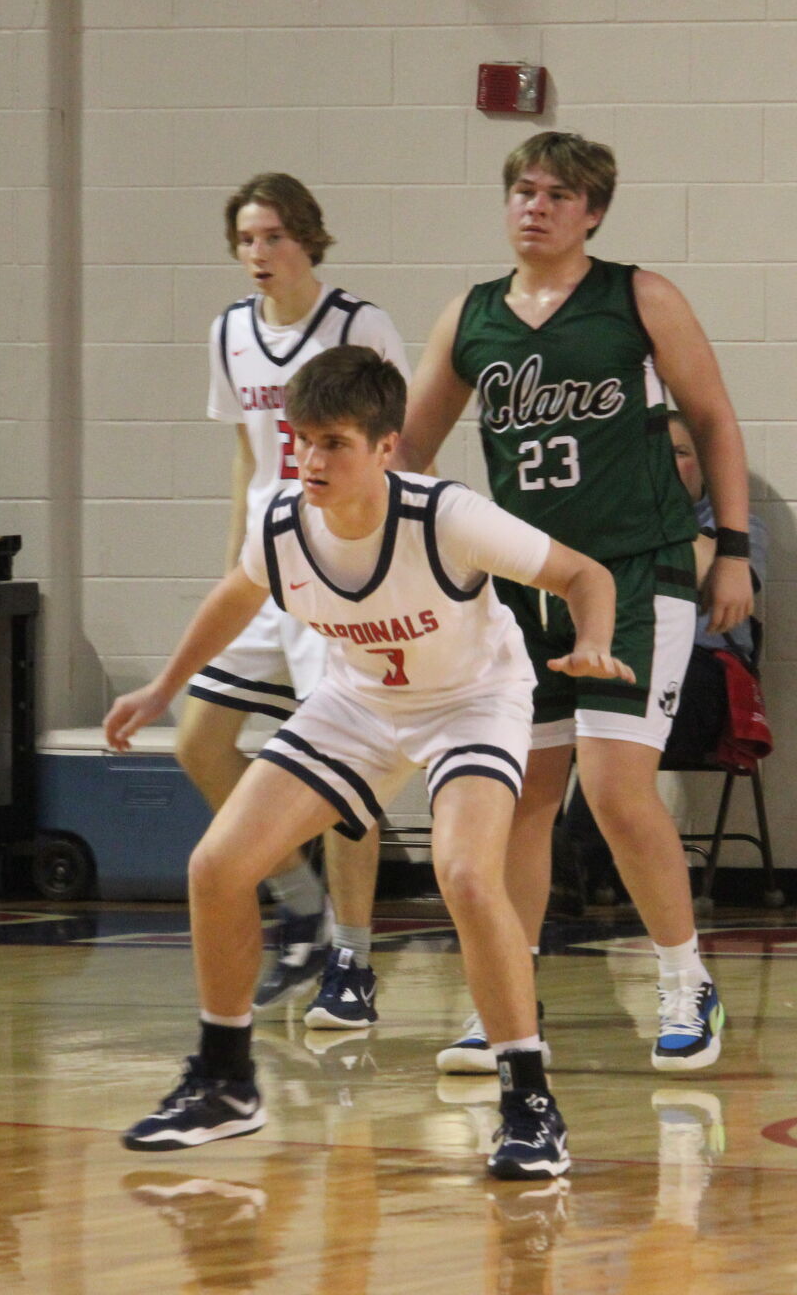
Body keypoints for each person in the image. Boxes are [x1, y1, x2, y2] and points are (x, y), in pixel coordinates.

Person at [111, 345, 633, 1181]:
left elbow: (583, 573)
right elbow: (236, 595)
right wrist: (162, 685)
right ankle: (225, 1079)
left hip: (472, 701)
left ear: (387, 447)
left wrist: (596, 640)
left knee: (466, 874)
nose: (312, 461)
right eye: (302, 440)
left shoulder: (447, 517)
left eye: (335, 444)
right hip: (359, 702)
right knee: (217, 863)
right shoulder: (282, 522)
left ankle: (530, 1099)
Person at [398, 131, 753, 1074]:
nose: (536, 205)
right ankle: (507, 1001)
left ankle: (686, 979)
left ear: (592, 211)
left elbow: (714, 419)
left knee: (613, 786)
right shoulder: (471, 317)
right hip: (524, 588)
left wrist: (736, 550)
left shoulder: (639, 297)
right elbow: (408, 452)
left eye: (557, 193)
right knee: (522, 797)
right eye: (523, 188)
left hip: (639, 567)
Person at [179, 174, 405, 1031]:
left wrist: (382, 558)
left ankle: (351, 956)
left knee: (345, 773)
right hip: (269, 561)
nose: (258, 254)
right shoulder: (230, 331)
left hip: (343, 561)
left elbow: (400, 445)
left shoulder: (359, 324)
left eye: (273, 236)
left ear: (308, 238)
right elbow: (246, 452)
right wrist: (231, 557)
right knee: (199, 739)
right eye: (245, 239)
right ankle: (296, 898)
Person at [558, 413, 768, 891]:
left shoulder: (737, 529)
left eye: (680, 453)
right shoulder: (607, 525)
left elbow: (717, 585)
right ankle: (546, 861)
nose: (666, 465)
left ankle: (572, 865)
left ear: (706, 467)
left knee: (628, 705)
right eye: (656, 455)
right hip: (617, 673)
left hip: (702, 682)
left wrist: (654, 512)